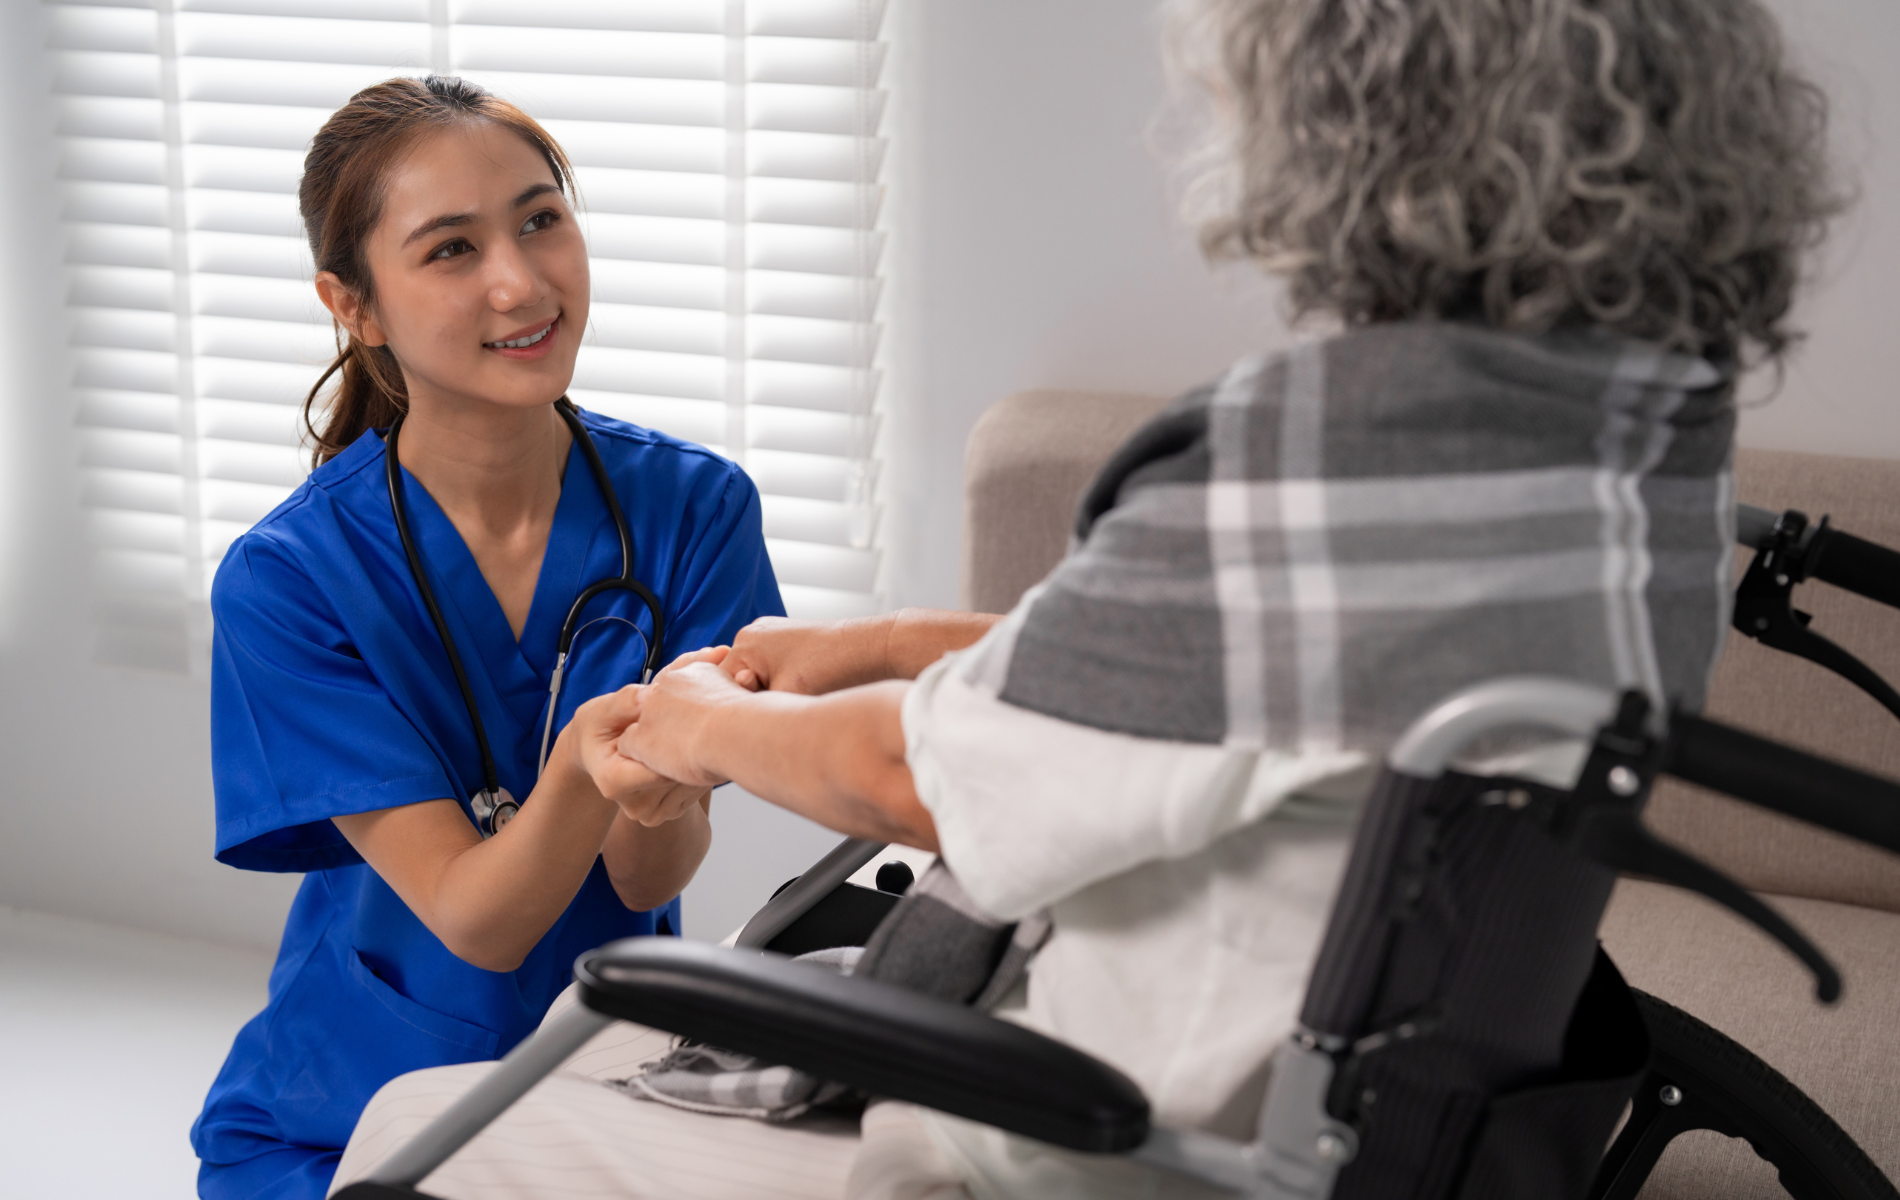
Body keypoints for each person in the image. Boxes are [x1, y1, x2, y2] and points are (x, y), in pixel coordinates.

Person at [332, 0, 1841, 1196]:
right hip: (1383, 1100)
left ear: (1347, 128)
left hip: (1106, 1142)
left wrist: (700, 720)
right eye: (450, 250)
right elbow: (1261, 684)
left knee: (419, 1122)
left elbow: (896, 774)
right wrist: (882, 643)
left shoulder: (1314, 479)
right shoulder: (1618, 442)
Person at [190, 77, 783, 1200]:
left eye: (540, 219)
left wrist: (663, 785)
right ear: (354, 303)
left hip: (613, 1076)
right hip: (352, 1116)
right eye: (451, 249)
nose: (521, 281)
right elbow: (481, 923)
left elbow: (653, 861)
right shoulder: (290, 581)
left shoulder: (695, 509)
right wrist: (607, 754)